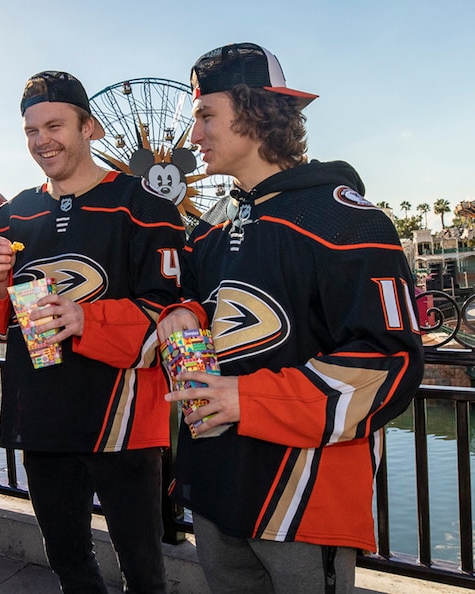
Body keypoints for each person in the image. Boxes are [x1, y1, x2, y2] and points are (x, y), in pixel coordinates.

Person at [157, 42, 425, 593]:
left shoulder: (349, 222)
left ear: (256, 111)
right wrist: (183, 314)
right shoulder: (211, 225)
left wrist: (246, 400)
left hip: (301, 496)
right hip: (212, 482)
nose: (194, 137)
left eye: (207, 115)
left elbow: (390, 365)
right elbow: (197, 298)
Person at [0, 71, 186, 593]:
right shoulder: (12, 213)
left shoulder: (146, 206)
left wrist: (85, 319)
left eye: (54, 125)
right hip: (42, 416)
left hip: (124, 423)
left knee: (144, 570)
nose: (42, 140)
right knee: (69, 563)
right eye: (31, 131)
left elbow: (171, 311)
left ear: (89, 127)